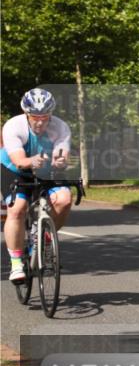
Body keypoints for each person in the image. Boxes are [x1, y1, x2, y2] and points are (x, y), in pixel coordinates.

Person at [1, 89, 73, 283]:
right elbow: (19, 161)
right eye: (35, 117)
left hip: (46, 169)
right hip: (14, 170)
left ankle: (42, 240)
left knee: (65, 200)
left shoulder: (60, 127)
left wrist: (60, 161)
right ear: (26, 114)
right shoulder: (13, 126)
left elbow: (62, 155)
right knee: (17, 209)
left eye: (45, 117)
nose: (40, 122)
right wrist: (32, 160)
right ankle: (16, 264)